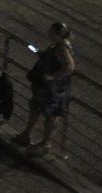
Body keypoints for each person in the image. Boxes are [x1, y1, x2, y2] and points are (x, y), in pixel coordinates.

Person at [14, 22, 77, 155]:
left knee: (51, 115)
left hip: (53, 90)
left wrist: (53, 77)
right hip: (45, 87)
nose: (48, 33)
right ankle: (27, 134)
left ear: (58, 34)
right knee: (35, 108)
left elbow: (69, 67)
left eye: (51, 31)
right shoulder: (57, 45)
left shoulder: (62, 47)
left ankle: (45, 143)